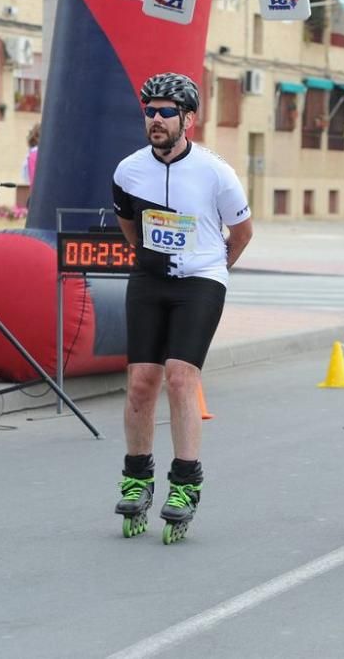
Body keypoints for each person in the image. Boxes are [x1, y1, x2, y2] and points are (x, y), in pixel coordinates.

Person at [111, 72, 253, 544]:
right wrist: (152, 260)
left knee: (179, 374)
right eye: (149, 110)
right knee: (140, 381)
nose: (155, 118)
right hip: (151, 279)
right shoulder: (128, 170)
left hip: (201, 280)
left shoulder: (216, 172)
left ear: (188, 119)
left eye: (166, 111)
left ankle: (185, 481)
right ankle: (137, 477)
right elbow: (128, 224)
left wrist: (214, 268)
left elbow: (244, 232)